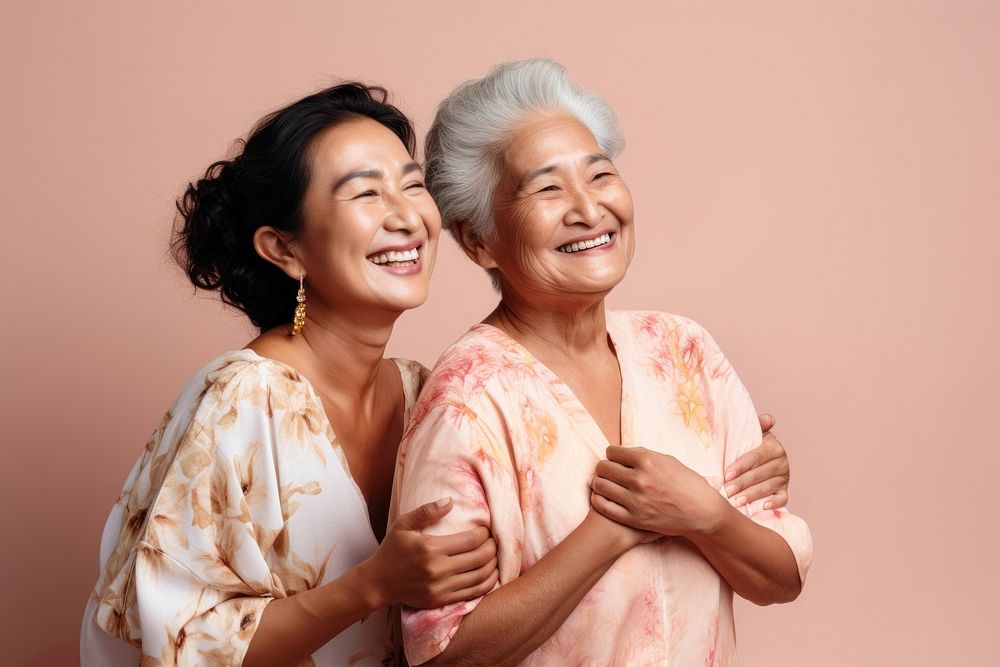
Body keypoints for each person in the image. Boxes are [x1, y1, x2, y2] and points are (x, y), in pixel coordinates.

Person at [394, 58, 813, 666]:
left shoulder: (683, 351)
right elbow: (441, 653)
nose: (588, 209)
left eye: (600, 174)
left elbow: (780, 579)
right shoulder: (468, 398)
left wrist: (706, 516)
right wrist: (612, 530)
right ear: (478, 240)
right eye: (546, 188)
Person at [80, 83, 501, 667]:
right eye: (365, 194)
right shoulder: (244, 399)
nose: (406, 215)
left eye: (411, 184)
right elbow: (181, 642)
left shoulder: (422, 391)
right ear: (285, 250)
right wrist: (374, 584)